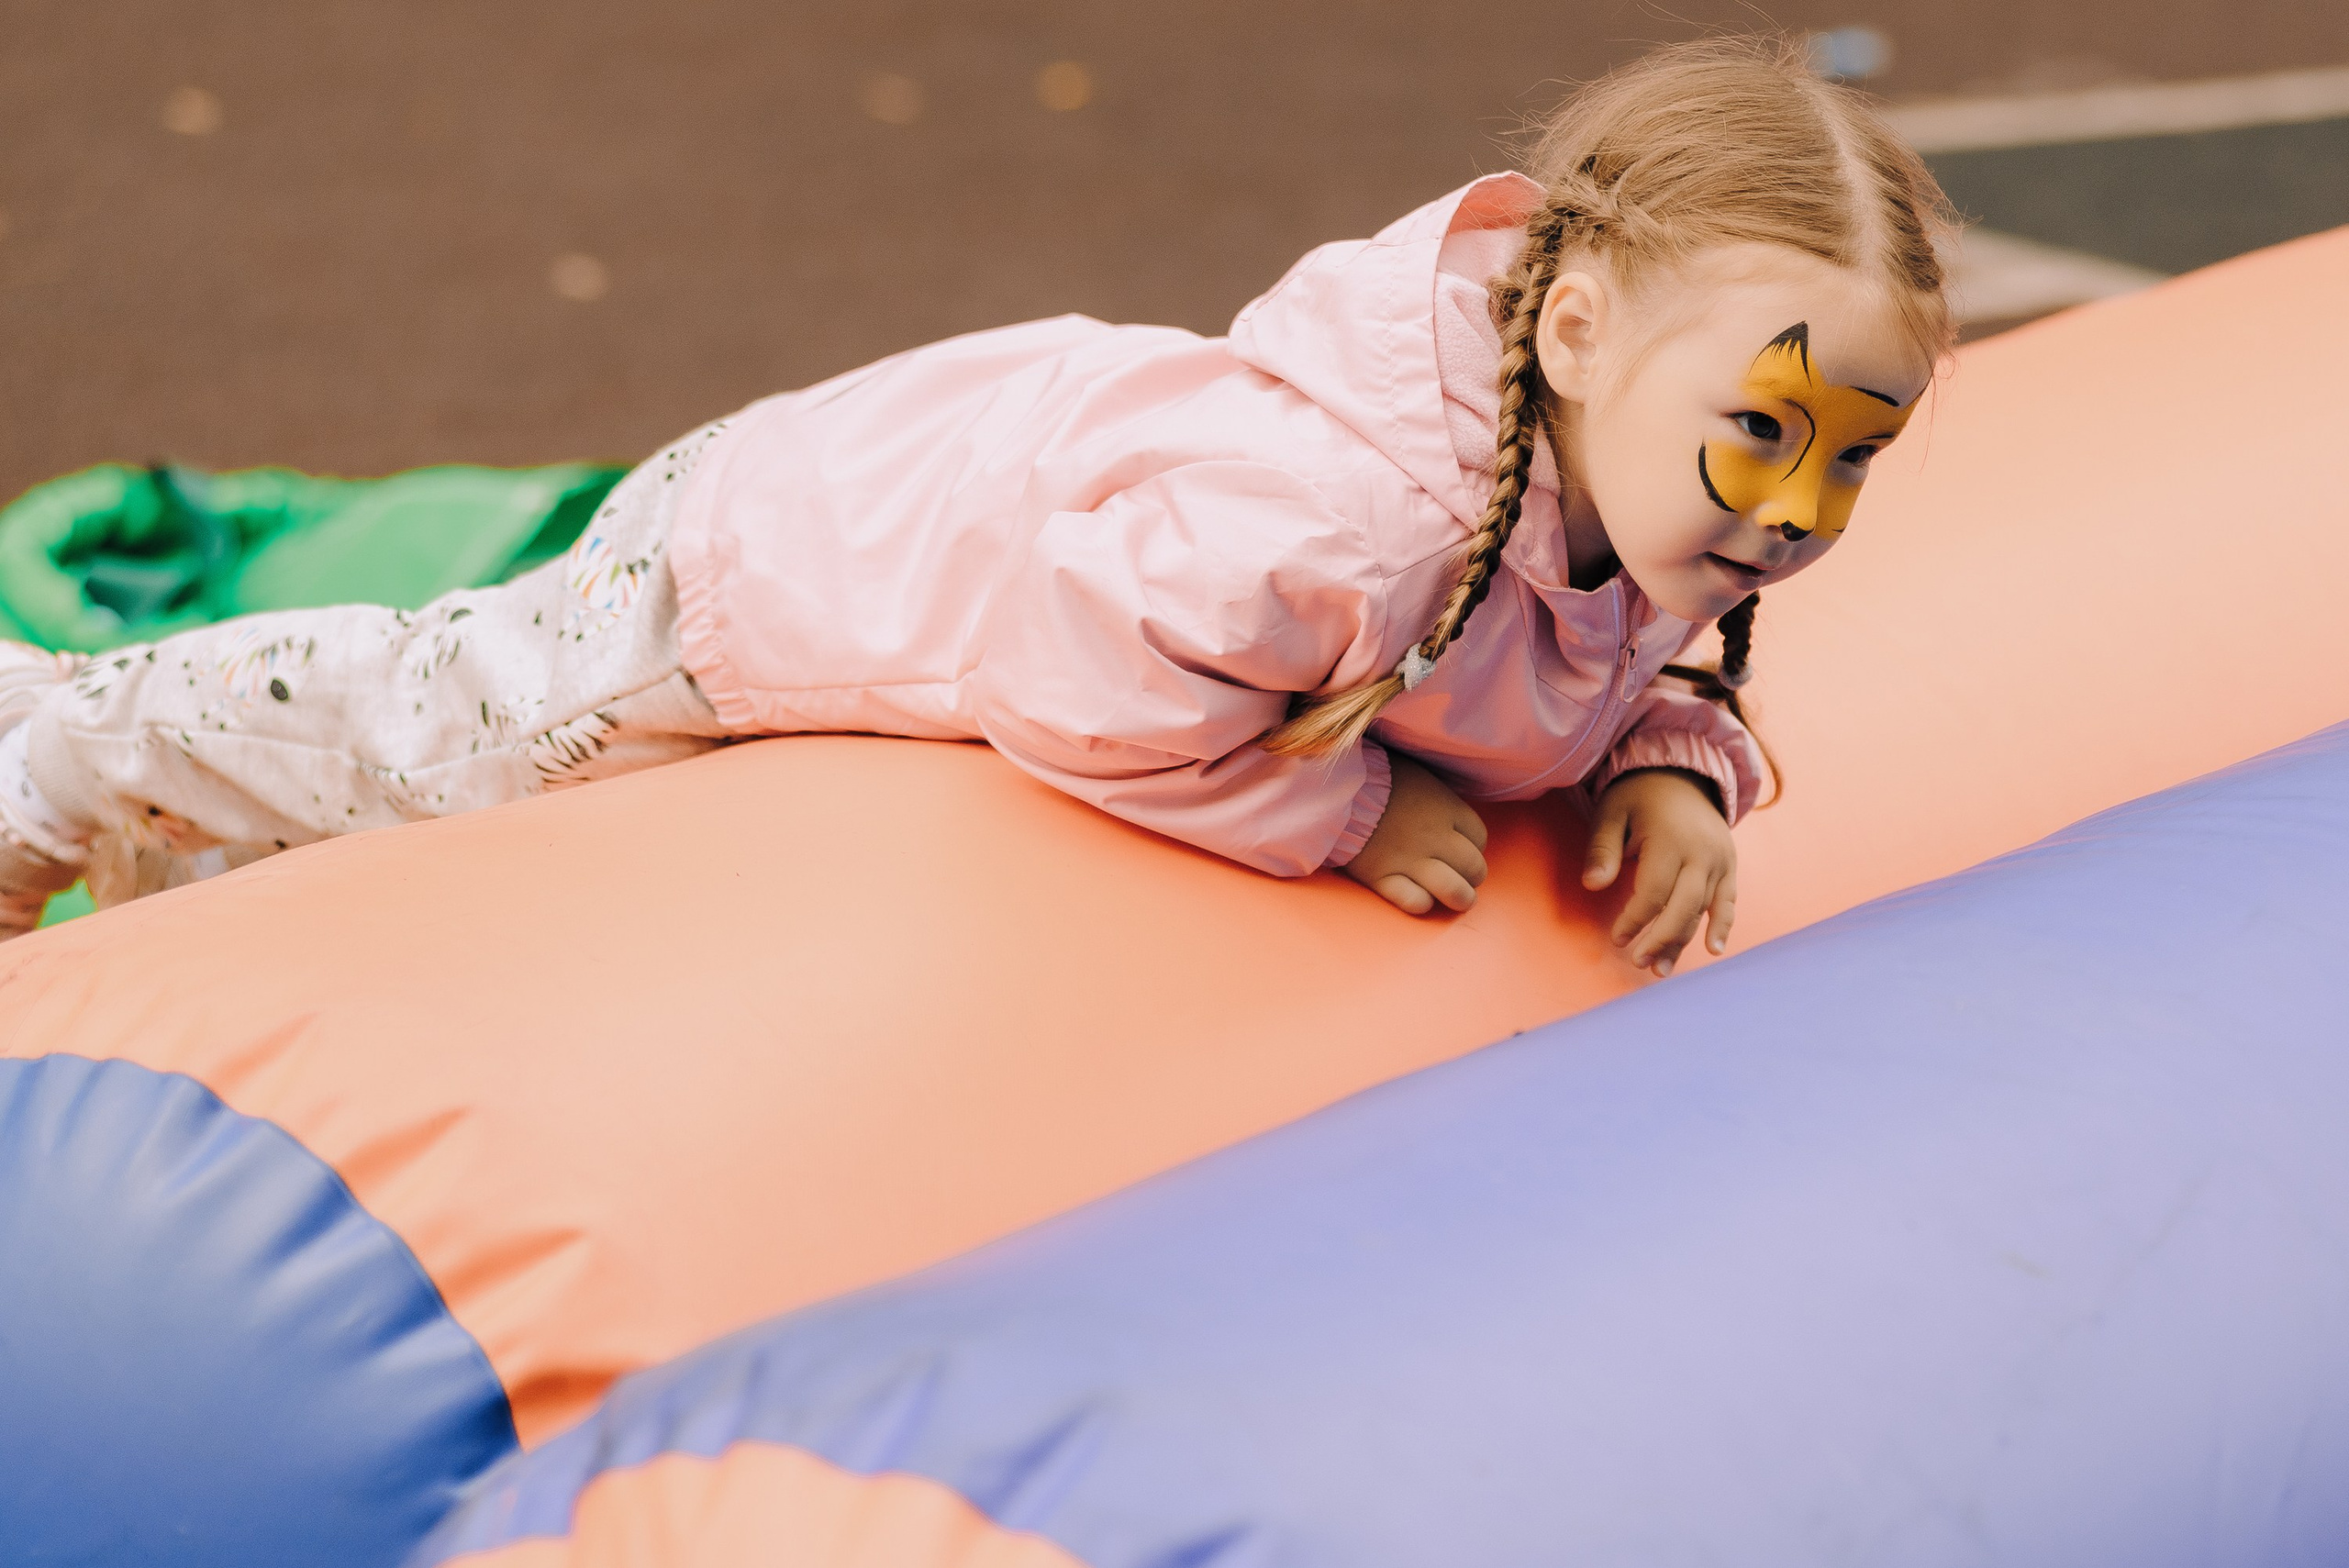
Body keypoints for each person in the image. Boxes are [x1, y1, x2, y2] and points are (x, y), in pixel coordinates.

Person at [0, 37, 1954, 973]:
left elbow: (1605, 666)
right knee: (443, 736)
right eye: (1766, 431)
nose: (1797, 506)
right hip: (798, 560)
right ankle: (68, 746)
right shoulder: (1337, 527)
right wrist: (1345, 807)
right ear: (1586, 330)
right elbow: (1075, 669)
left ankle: (169, 875)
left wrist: (1672, 769)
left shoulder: (1640, 502)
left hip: (939, 492)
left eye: (1852, 453)